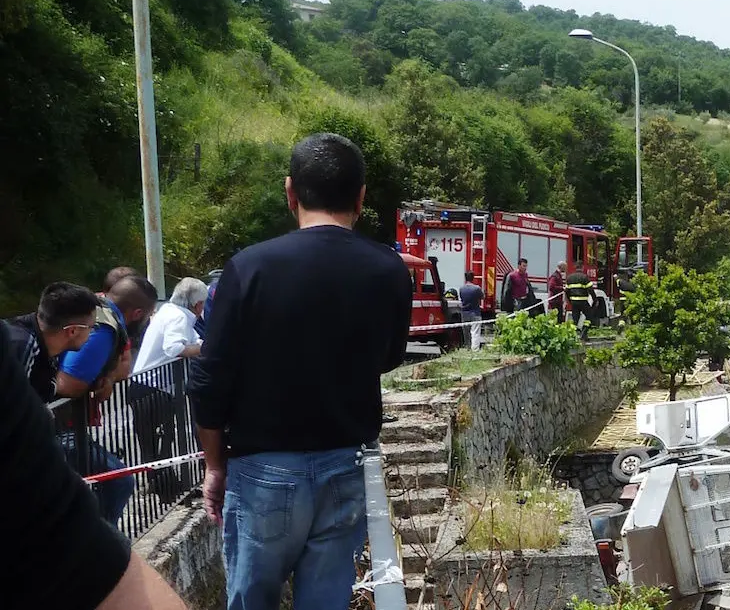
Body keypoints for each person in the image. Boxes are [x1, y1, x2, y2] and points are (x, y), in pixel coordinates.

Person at [189, 133, 413, 610]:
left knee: (253, 600)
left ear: (290, 191)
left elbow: (209, 379)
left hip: (263, 469)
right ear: (361, 197)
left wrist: (214, 465)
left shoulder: (249, 268)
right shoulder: (389, 270)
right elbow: (390, 357)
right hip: (346, 464)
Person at [1, 322, 187, 610]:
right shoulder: (24, 343)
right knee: (120, 479)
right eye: (86, 331)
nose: (90, 337)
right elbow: (70, 384)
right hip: (65, 435)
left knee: (120, 479)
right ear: (72, 330)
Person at [56, 275, 157, 525]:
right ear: (137, 312)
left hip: (47, 421)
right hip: (51, 425)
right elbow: (67, 385)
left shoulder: (96, 307)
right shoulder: (104, 328)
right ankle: (99, 548)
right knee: (119, 480)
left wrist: (106, 377)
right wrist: (97, 382)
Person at [129, 277, 208, 500]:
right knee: (160, 444)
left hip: (146, 386)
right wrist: (203, 350)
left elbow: (196, 340)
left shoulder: (169, 311)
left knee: (156, 444)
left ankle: (167, 488)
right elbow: (174, 348)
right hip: (154, 388)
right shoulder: (179, 317)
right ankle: (168, 493)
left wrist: (202, 345)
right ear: (198, 304)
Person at [4, 282, 101, 402]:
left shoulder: (43, 346)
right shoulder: (22, 346)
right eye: (92, 327)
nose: (92, 332)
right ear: (73, 331)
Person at [565, 262, 596, 340]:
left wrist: (570, 300)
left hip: (574, 302)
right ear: (582, 267)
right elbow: (590, 290)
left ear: (575, 267)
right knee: (590, 317)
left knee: (575, 319)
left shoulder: (569, 278)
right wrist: (595, 300)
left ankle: (572, 336)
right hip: (583, 301)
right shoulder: (584, 277)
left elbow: (567, 291)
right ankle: (584, 333)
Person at [460, 271, 484, 351]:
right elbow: (482, 297)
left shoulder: (461, 288)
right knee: (475, 332)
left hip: (464, 312)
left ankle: (467, 347)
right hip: (475, 312)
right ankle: (475, 349)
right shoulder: (477, 288)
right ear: (473, 278)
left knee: (466, 332)